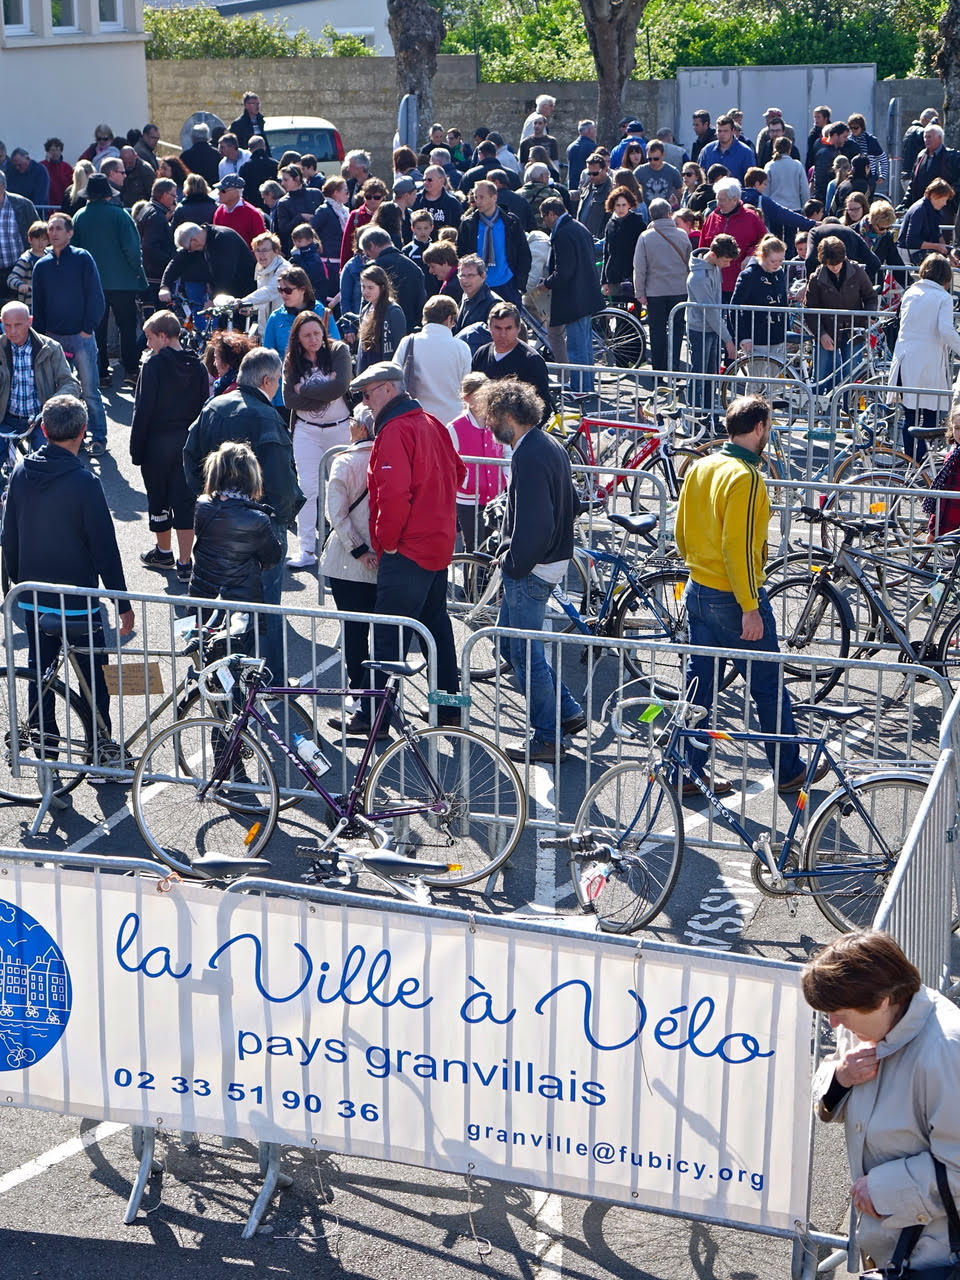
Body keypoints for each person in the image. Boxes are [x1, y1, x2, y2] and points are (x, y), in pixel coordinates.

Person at [676, 394, 829, 794]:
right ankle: (789, 768)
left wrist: (697, 566)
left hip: (698, 587)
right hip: (732, 596)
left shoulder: (701, 465)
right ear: (760, 427)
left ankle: (685, 769)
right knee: (767, 684)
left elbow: (679, 529)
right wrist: (749, 606)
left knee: (699, 687)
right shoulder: (745, 477)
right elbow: (739, 548)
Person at [803, 930, 960, 1273]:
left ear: (884, 1000)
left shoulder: (947, 1051)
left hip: (934, 1254)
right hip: (887, 1241)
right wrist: (840, 1078)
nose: (831, 1024)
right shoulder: (863, 1015)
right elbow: (832, 1084)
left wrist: (882, 1190)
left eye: (838, 1012)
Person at [335, 361, 466, 736]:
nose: (365, 401)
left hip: (407, 549)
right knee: (436, 628)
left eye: (368, 394)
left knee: (388, 634)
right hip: (437, 545)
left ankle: (375, 716)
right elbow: (459, 473)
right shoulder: (431, 423)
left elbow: (393, 496)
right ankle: (449, 709)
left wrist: (387, 543)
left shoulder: (395, 431)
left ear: (388, 390)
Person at [1, 393, 134, 760]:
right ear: (83, 431)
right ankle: (99, 747)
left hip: (33, 597)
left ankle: (45, 747)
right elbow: (105, 550)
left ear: (43, 429)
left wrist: (18, 581)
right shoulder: (85, 482)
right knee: (93, 679)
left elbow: (9, 535)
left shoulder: (22, 471)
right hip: (78, 604)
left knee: (39, 675)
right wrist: (122, 603)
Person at [478, 377, 585, 763]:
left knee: (524, 652)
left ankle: (547, 735)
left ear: (509, 415)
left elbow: (537, 524)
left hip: (533, 569)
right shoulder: (547, 443)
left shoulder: (527, 454)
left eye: (491, 417)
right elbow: (572, 503)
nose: (488, 426)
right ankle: (567, 711)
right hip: (548, 563)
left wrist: (513, 561)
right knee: (512, 645)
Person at [183, 347, 303, 679]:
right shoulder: (267, 417)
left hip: (216, 518)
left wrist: (210, 499)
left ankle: (223, 673)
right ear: (267, 380)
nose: (278, 384)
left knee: (221, 598)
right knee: (264, 604)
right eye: (277, 379)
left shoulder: (214, 407)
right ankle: (269, 676)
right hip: (259, 524)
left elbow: (190, 457)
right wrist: (280, 518)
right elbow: (282, 481)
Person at [131, 310, 210, 581]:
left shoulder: (152, 366)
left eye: (150, 337)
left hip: (157, 445)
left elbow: (143, 410)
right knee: (185, 502)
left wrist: (136, 449)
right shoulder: (198, 366)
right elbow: (204, 408)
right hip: (188, 444)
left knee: (159, 500)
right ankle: (185, 562)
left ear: (163, 336)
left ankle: (163, 552)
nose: (148, 344)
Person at [30, 212, 107, 454]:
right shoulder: (41, 266)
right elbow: (38, 305)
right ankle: (67, 439)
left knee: (91, 391)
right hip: (52, 340)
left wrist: (87, 329)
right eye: (50, 229)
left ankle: (98, 437)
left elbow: (96, 296)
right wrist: (40, 338)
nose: (53, 233)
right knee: (57, 395)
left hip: (81, 337)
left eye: (58, 229)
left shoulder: (83, 259)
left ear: (70, 233)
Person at [282, 309, 352, 569]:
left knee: (342, 488)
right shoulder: (292, 360)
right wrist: (323, 390)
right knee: (308, 490)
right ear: (298, 338)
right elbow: (290, 399)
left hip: (339, 428)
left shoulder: (338, 351)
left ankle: (344, 546)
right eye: (307, 335)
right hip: (307, 431)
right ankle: (306, 549)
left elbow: (340, 386)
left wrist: (306, 390)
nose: (313, 339)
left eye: (317, 333)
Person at [318, 415, 378, 693]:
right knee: (384, 633)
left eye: (352, 419)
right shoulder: (393, 457)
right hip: (385, 558)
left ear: (361, 427)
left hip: (347, 561)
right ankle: (381, 693)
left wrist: (359, 549)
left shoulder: (344, 461)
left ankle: (358, 690)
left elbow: (337, 515)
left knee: (354, 631)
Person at [889, 254, 960, 464]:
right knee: (929, 414)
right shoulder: (943, 298)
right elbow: (946, 330)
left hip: (905, 357)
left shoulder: (912, 291)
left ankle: (910, 460)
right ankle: (921, 463)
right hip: (928, 360)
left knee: (910, 413)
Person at [540, 196, 603, 393]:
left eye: (544, 217)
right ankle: (587, 385)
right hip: (587, 295)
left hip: (573, 299)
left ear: (552, 213)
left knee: (576, 348)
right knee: (585, 347)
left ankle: (579, 389)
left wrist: (547, 283)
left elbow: (564, 271)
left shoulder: (562, 233)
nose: (544, 221)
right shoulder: (578, 227)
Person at [0, 301, 79, 450]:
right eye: (7, 325)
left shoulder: (50, 348)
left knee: (48, 460)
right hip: (6, 418)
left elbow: (70, 383)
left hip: (40, 419)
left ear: (29, 321)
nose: (12, 331)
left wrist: (53, 406)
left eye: (18, 325)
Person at [804, 236, 878, 393]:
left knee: (852, 375)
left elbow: (870, 296)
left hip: (854, 330)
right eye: (830, 265)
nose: (834, 267)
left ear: (843, 258)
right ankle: (819, 410)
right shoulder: (816, 278)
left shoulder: (857, 272)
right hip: (827, 331)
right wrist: (821, 334)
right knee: (821, 375)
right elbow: (809, 310)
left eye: (837, 263)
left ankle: (848, 411)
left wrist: (869, 316)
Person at [450, 371, 508, 553]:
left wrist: (508, 480)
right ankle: (473, 582)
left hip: (497, 496)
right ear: (467, 398)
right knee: (474, 548)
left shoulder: (497, 422)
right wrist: (463, 480)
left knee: (496, 548)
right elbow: (447, 462)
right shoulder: (455, 427)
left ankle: (489, 582)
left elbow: (507, 452)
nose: (485, 400)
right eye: (479, 396)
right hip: (469, 500)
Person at [633, 198, 692, 374]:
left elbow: (640, 267)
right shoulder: (682, 235)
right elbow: (689, 263)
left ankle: (658, 371)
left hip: (655, 291)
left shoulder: (645, 237)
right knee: (676, 330)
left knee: (657, 331)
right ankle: (674, 368)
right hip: (679, 290)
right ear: (669, 214)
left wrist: (639, 292)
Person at [395, 294, 471, 427]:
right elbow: (466, 387)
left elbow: (394, 379)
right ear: (449, 319)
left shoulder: (408, 342)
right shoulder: (462, 348)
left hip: (417, 419)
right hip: (453, 421)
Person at [686, 234, 738, 426]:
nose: (728, 265)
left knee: (711, 376)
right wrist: (728, 338)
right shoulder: (699, 277)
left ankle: (709, 418)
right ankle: (693, 419)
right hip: (700, 329)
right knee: (699, 375)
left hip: (712, 328)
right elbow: (710, 312)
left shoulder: (714, 268)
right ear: (714, 255)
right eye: (726, 260)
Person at [457, 180, 530, 308]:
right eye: (475, 197)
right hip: (478, 285)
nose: (477, 201)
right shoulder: (469, 224)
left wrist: (520, 284)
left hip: (507, 284)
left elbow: (524, 254)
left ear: (494, 197)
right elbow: (461, 254)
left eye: (481, 197)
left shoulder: (511, 222)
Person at [471, 300, 553, 415]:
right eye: (498, 328)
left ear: (518, 328)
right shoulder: (481, 354)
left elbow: (543, 408)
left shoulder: (532, 361)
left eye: (508, 328)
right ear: (489, 327)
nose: (503, 334)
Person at [159, 221, 256, 315]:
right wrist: (165, 286)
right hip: (226, 293)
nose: (190, 251)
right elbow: (178, 262)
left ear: (195, 240)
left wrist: (212, 300)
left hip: (245, 291)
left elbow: (225, 275)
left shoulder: (224, 238)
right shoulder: (201, 240)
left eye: (189, 248)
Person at [698, 176, 765, 301]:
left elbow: (765, 242)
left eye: (722, 200)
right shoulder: (712, 217)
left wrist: (751, 255)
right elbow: (702, 248)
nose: (718, 203)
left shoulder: (751, 218)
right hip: (714, 284)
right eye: (717, 199)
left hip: (741, 284)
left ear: (735, 199)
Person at [729, 235, 788, 362]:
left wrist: (786, 331)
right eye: (773, 261)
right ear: (763, 256)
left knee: (777, 378)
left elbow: (783, 304)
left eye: (780, 261)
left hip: (777, 335)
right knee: (755, 379)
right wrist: (743, 338)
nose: (777, 265)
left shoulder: (779, 273)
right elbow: (734, 308)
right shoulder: (748, 275)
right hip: (756, 336)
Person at [358, 226, 427, 330]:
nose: (368, 257)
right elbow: (420, 304)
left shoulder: (373, 267)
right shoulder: (414, 268)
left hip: (378, 330)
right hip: (407, 331)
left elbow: (366, 302)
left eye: (367, 254)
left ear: (371, 245)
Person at [355, 264, 406, 373]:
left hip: (384, 373)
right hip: (366, 371)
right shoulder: (366, 310)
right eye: (363, 287)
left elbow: (399, 348)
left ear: (382, 287)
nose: (365, 291)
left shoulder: (393, 311)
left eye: (370, 287)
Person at [600, 186, 646, 302]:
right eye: (618, 205)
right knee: (617, 312)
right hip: (614, 277)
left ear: (629, 205)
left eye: (624, 205)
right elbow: (606, 253)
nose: (621, 209)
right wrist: (604, 281)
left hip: (632, 277)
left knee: (633, 314)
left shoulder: (637, 222)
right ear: (613, 206)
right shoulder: (610, 224)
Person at [0, 171, 38, 304]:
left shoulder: (23, 205)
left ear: (2, 186)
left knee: (20, 312)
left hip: (19, 270)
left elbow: (38, 233)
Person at [239, 231, 289, 332]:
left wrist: (243, 302)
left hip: (283, 326)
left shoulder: (284, 268)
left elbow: (270, 291)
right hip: (265, 328)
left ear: (276, 251)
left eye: (265, 250)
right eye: (257, 250)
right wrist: (251, 308)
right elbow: (262, 299)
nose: (261, 255)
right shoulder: (259, 268)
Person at [924, 408, 960, 540]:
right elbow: (942, 496)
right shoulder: (953, 456)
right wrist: (933, 529)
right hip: (952, 524)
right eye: (957, 428)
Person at [900, 179, 953, 265]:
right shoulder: (919, 210)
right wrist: (937, 246)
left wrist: (949, 255)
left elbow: (938, 235)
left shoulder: (933, 210)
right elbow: (911, 241)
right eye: (944, 200)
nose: (945, 204)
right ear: (934, 195)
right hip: (908, 258)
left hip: (918, 255)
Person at [339, 177, 387, 269]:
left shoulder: (387, 214)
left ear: (383, 197)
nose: (372, 200)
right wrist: (343, 269)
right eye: (368, 197)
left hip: (383, 264)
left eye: (377, 197)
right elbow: (346, 245)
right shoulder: (355, 215)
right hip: (360, 265)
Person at [697, 115, 754, 185]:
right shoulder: (707, 151)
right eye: (719, 131)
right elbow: (699, 177)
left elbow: (751, 182)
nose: (722, 134)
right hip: (711, 195)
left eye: (725, 131)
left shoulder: (746, 152)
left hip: (735, 195)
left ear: (733, 131)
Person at [212, 175, 266, 249]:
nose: (219, 193)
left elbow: (261, 242)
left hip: (246, 258)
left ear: (236, 192)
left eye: (223, 191)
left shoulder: (252, 213)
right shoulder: (219, 212)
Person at [6, 221, 48, 311]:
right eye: (37, 238)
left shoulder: (51, 257)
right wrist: (20, 285)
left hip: (47, 303)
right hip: (30, 305)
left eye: (44, 239)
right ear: (30, 239)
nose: (41, 242)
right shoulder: (25, 260)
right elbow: (11, 279)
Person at [764, 135, 809, 212]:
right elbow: (804, 190)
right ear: (790, 149)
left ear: (775, 148)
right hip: (794, 208)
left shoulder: (770, 166)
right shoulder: (797, 165)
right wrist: (805, 207)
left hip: (775, 209)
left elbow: (765, 189)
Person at [634, 140, 682, 209]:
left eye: (656, 159)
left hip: (666, 213)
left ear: (663, 155)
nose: (653, 162)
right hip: (646, 213)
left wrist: (675, 206)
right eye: (649, 159)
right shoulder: (640, 171)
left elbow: (680, 193)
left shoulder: (672, 171)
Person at [576, 154, 613, 237]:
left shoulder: (610, 191)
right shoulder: (587, 187)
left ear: (605, 169)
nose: (591, 176)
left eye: (595, 173)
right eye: (589, 173)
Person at [180, 123, 221, 188]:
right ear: (207, 137)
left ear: (193, 138)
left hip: (192, 190)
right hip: (213, 190)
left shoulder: (185, 156)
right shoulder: (217, 154)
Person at [41, 138, 74, 207]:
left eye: (57, 150)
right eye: (52, 150)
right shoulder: (42, 166)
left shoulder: (67, 167)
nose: (55, 153)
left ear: (61, 151)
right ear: (48, 151)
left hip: (62, 205)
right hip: (46, 206)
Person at [566, 120, 597, 189]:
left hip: (572, 184)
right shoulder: (593, 147)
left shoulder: (571, 147)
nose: (595, 131)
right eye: (594, 128)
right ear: (590, 130)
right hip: (587, 184)